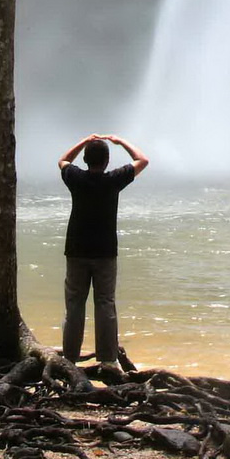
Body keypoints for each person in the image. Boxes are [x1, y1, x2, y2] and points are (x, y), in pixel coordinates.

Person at [57, 132, 148, 365]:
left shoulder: (76, 177)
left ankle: (69, 360)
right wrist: (121, 141)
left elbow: (63, 160)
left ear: (85, 160)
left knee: (74, 306)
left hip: (76, 249)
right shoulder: (113, 180)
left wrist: (84, 141)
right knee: (105, 303)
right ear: (107, 161)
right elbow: (142, 160)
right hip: (106, 251)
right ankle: (107, 360)